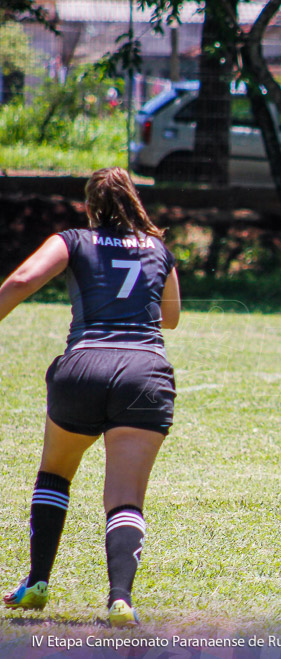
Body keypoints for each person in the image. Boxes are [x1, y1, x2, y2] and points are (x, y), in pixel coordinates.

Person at [0, 167, 180, 627]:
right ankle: (120, 599)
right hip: (144, 372)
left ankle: (37, 581)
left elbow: (22, 280)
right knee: (124, 498)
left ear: (89, 206)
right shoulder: (159, 248)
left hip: (83, 365)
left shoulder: (74, 240)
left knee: (56, 473)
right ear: (134, 201)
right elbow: (171, 318)